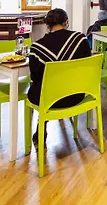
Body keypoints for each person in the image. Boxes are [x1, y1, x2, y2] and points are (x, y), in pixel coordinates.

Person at [28, 8, 91, 144]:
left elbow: (34, 77)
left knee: (38, 87)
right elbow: (87, 67)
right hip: (76, 95)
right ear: (66, 22)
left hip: (49, 101)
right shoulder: (80, 39)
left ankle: (41, 125)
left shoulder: (36, 48)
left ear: (47, 25)